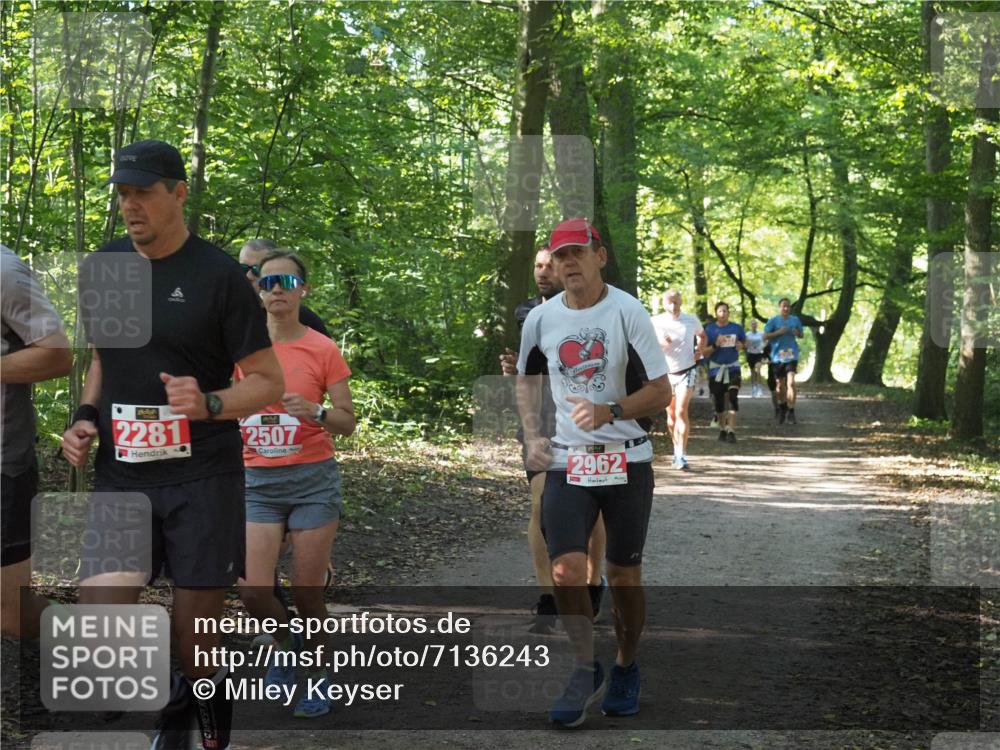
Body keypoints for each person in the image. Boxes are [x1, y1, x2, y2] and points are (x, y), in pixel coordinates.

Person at [60, 140, 284, 750]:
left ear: (179, 194)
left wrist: (209, 402)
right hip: (123, 472)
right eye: (124, 195)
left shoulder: (218, 278)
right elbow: (104, 362)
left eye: (144, 194)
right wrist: (85, 418)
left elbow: (269, 381)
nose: (131, 206)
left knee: (197, 636)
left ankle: (201, 714)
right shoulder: (106, 266)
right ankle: (174, 692)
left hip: (202, 474)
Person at [516, 218, 669, 727]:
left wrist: (612, 411)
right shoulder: (540, 319)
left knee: (623, 576)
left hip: (627, 457)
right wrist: (535, 435)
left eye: (578, 253)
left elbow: (661, 391)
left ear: (600, 256)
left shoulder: (627, 310)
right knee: (565, 570)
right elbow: (527, 380)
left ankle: (625, 664)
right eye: (561, 257)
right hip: (567, 460)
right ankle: (584, 666)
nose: (569, 263)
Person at [236, 250, 355, 719]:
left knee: (307, 590)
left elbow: (347, 422)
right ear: (259, 292)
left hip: (311, 481)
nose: (277, 289)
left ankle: (321, 676)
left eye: (286, 281)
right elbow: (220, 404)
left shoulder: (322, 347)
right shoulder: (240, 348)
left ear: (303, 289)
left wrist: (319, 413)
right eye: (268, 283)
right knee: (252, 591)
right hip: (255, 482)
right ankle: (286, 643)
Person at [501, 247, 607, 634]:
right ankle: (548, 599)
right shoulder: (526, 312)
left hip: (583, 416)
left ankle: (593, 586)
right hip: (542, 418)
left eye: (551, 265)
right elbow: (533, 368)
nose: (544, 272)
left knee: (590, 507)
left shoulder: (600, 311)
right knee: (539, 504)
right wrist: (517, 371)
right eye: (539, 266)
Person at [1, 246, 73, 638]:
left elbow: (58, 356)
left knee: (10, 617)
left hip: (3, 464)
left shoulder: (5, 269)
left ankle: (90, 641)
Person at [650, 289, 705, 470]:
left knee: (681, 411)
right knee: (671, 415)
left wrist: (699, 351)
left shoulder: (691, 320)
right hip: (666, 373)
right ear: (664, 303)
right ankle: (675, 450)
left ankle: (681, 453)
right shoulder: (655, 322)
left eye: (676, 302)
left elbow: (702, 336)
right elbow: (646, 344)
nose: (673, 306)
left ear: (681, 302)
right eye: (670, 302)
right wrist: (662, 343)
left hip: (687, 370)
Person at [239, 239, 329, 337]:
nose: (248, 276)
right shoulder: (230, 314)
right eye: (243, 268)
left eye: (257, 270)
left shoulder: (304, 318)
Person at [703, 302, 745, 443]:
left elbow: (744, 343)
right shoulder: (710, 330)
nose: (723, 313)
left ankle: (731, 430)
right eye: (720, 311)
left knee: (733, 396)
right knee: (719, 402)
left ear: (729, 313)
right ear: (716, 313)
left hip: (733, 367)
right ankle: (722, 428)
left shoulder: (736, 328)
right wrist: (716, 344)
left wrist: (741, 346)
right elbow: (704, 352)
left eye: (725, 311)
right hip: (716, 369)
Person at [763, 298, 804, 425]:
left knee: (791, 382)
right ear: (779, 307)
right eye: (783, 306)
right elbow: (764, 336)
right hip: (777, 357)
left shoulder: (795, 320)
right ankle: (782, 407)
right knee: (780, 385)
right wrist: (778, 332)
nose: (786, 308)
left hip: (792, 355)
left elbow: (801, 334)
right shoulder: (773, 321)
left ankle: (791, 410)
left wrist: (797, 333)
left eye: (788, 306)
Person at [744, 319, 765, 398]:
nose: (754, 325)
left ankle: (759, 388)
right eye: (752, 324)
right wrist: (747, 345)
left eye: (755, 324)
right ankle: (753, 389)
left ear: (757, 325)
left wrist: (763, 346)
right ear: (750, 325)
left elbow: (766, 340)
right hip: (751, 354)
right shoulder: (747, 334)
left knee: (758, 370)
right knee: (753, 372)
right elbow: (745, 345)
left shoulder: (761, 333)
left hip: (758, 354)